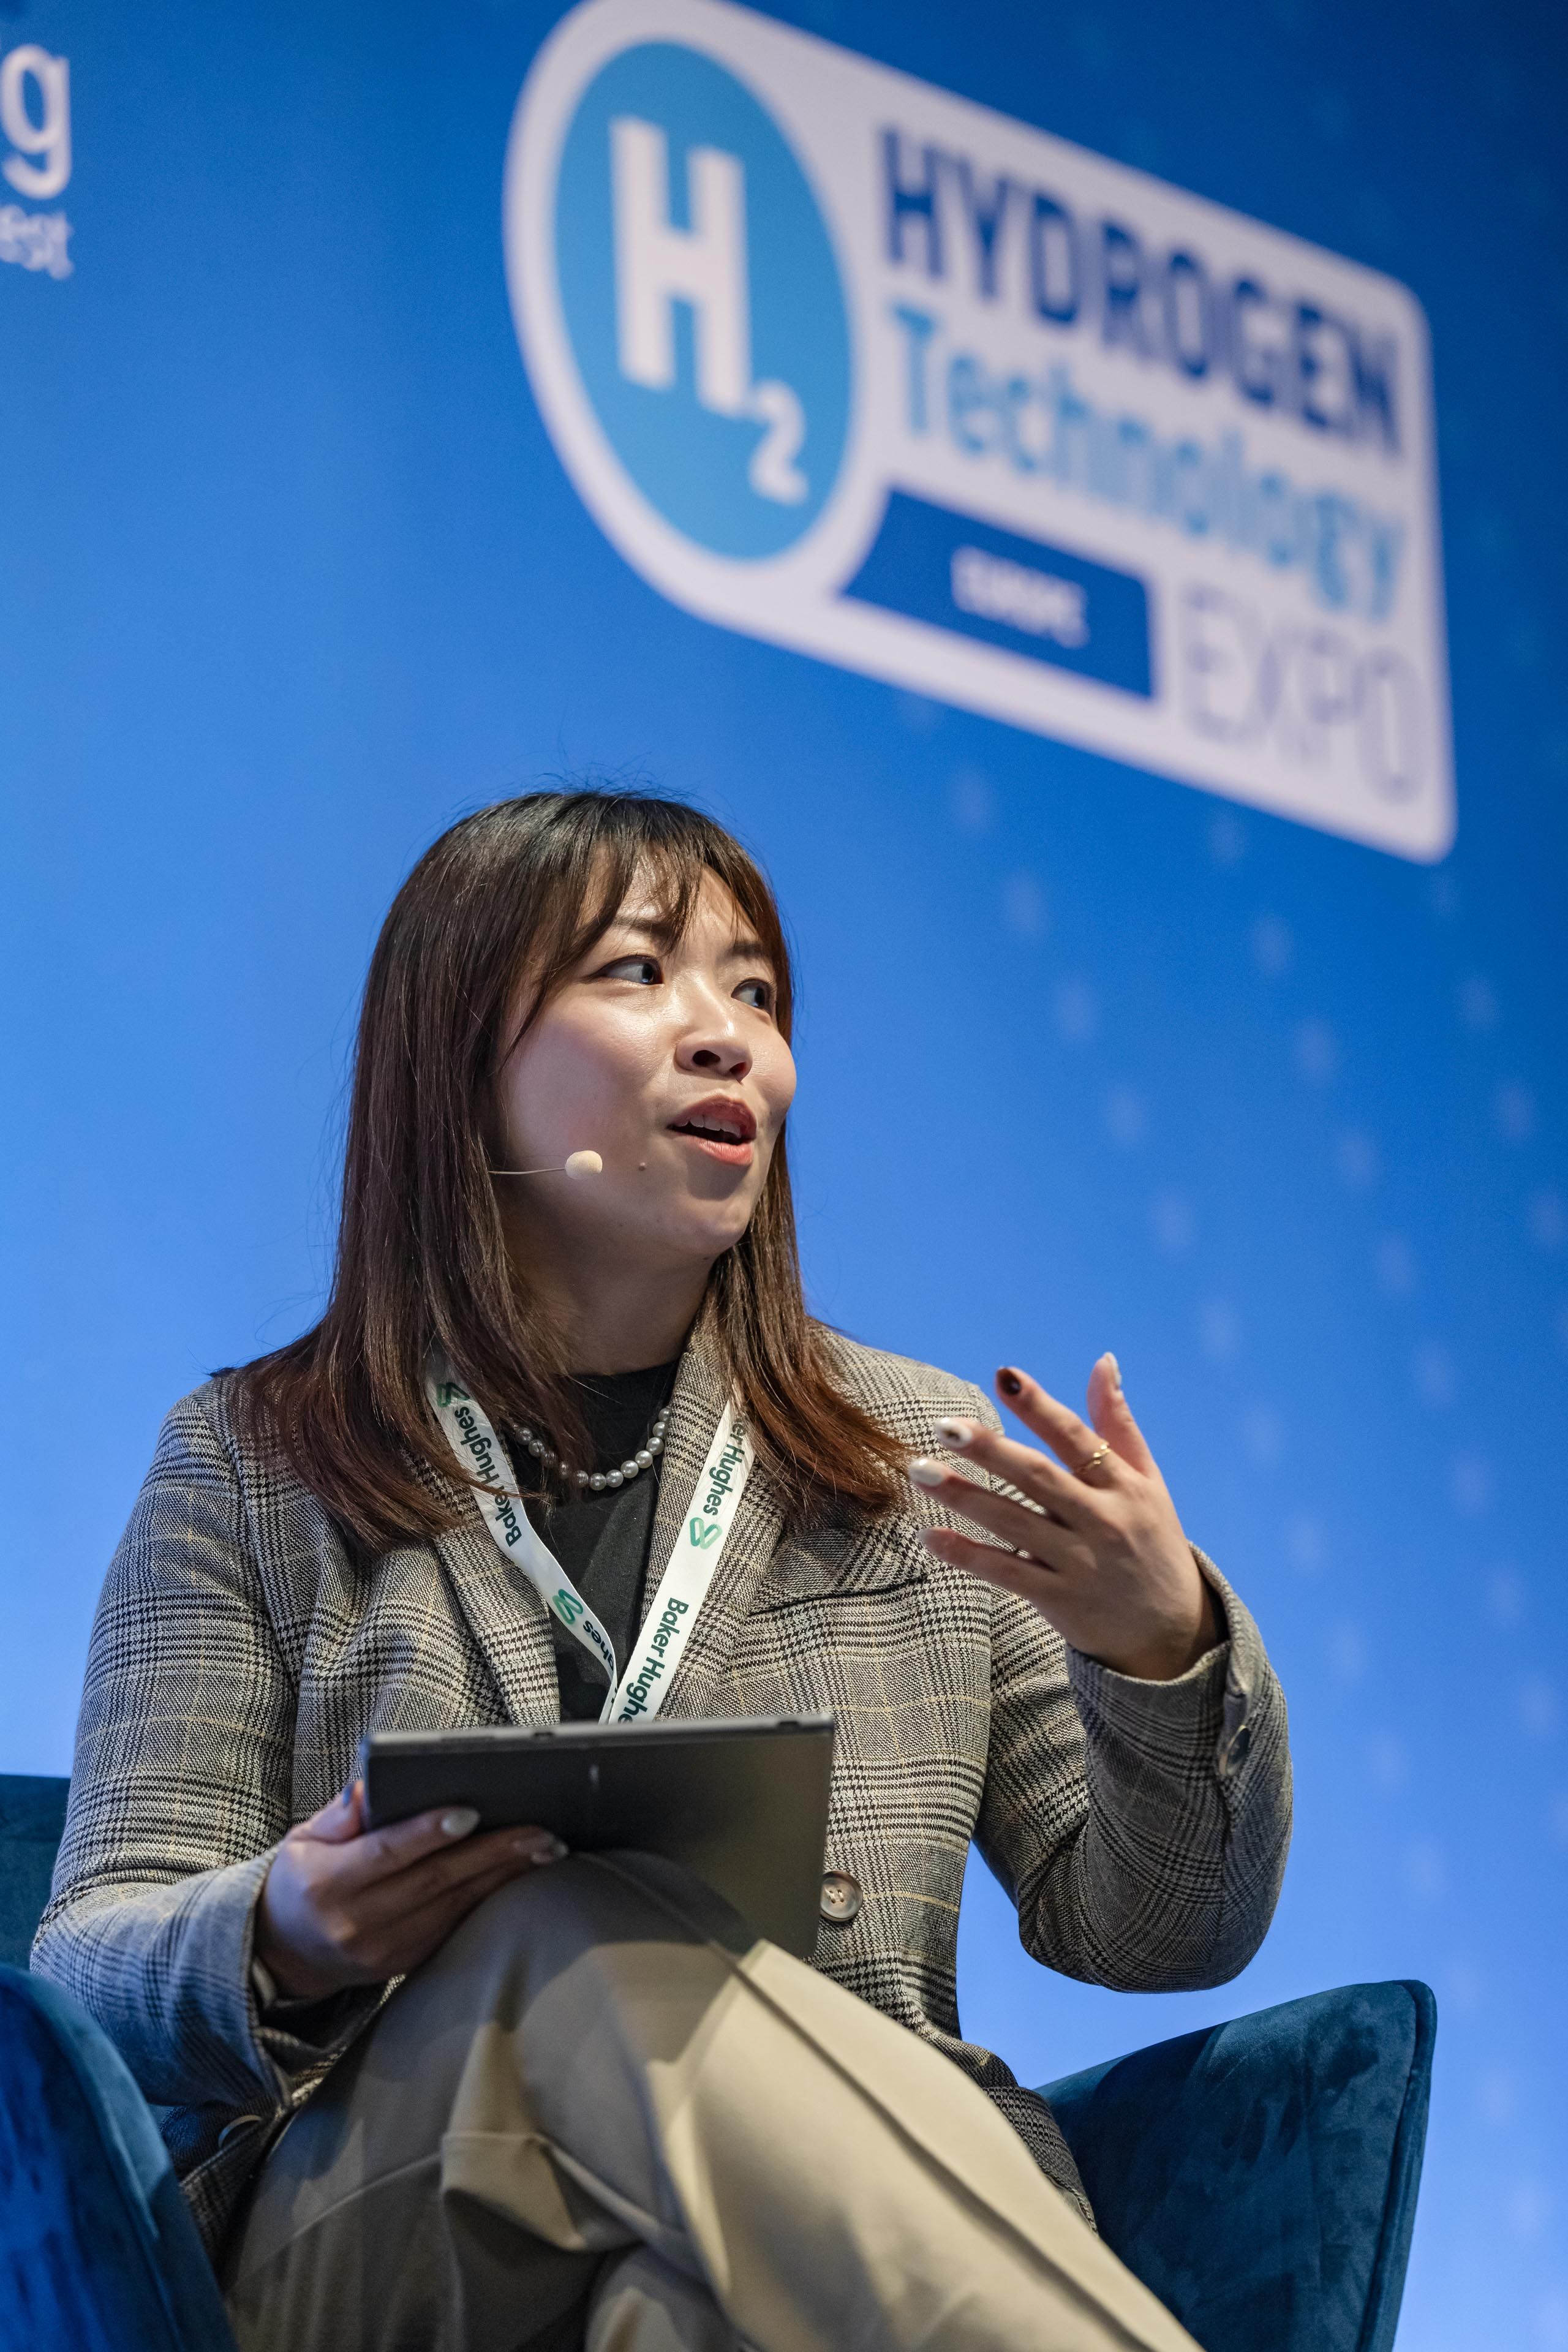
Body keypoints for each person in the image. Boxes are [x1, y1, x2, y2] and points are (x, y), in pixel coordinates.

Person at [35, 790, 1291, 2351]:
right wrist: (285, 1931)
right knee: (574, 1932)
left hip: (808, 2241)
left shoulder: (910, 1455)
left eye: (755, 993)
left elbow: (1157, 1931)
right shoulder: (254, 1461)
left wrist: (1156, 1650)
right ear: (458, 1057)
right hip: (379, 2237)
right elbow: (82, 1976)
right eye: (637, 972)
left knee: (671, 2313)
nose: (728, 1040)